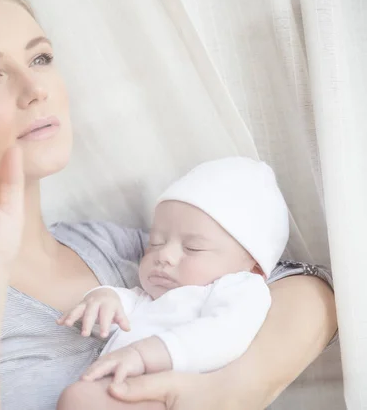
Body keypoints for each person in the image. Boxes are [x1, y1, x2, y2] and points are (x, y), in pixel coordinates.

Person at [0, 0, 338, 410]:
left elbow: (308, 290)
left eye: (40, 58)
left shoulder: (121, 250)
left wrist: (228, 392)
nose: (34, 87)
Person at [56, 157, 289, 410]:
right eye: (155, 242)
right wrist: (104, 298)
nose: (164, 256)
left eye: (192, 247)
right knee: (79, 398)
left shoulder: (240, 287)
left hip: (181, 395)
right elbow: (127, 306)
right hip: (127, 392)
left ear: (253, 266)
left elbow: (226, 333)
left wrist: (144, 355)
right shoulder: (150, 300)